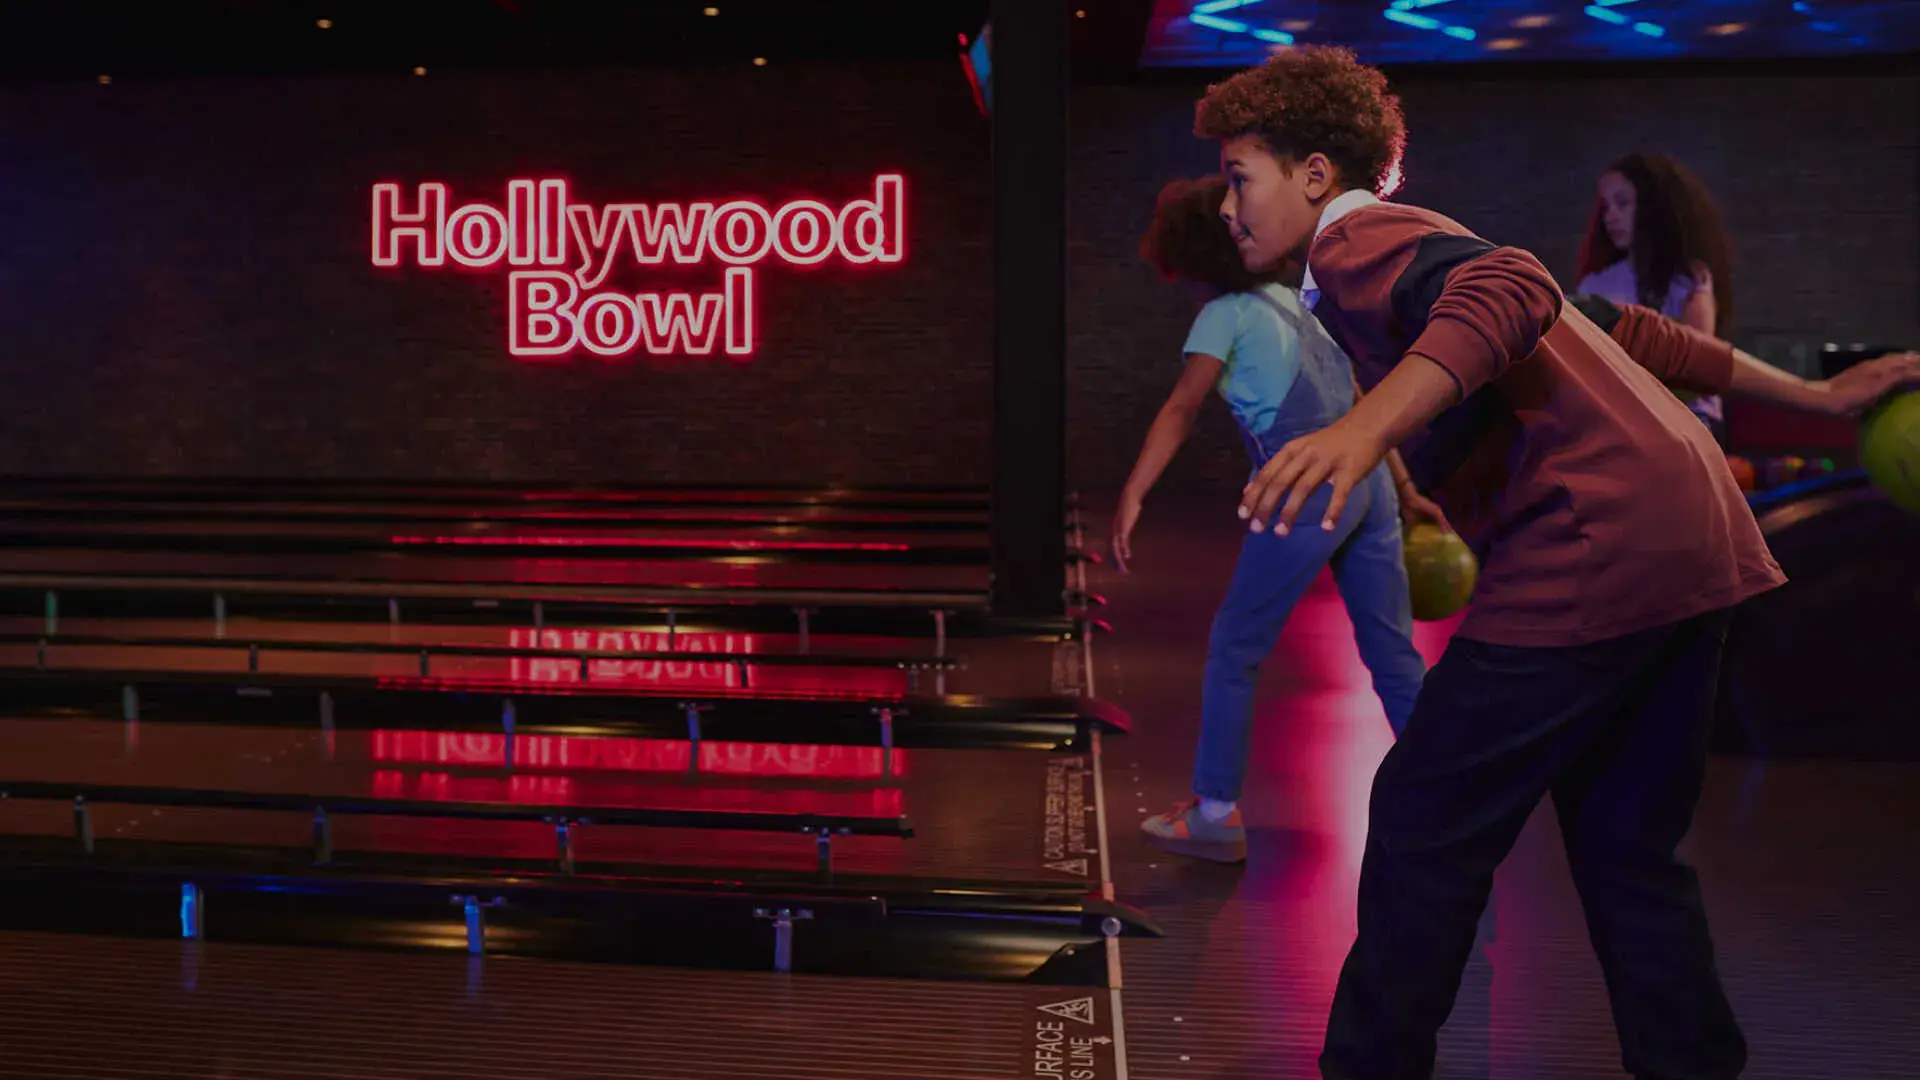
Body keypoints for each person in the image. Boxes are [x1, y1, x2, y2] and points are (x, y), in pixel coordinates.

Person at [1195, 46, 1920, 1080]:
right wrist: (1816, 400)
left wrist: (1362, 437)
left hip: (1590, 548)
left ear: (1315, 173)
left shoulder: (1356, 241)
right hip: (1692, 532)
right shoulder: (1411, 240)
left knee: (1422, 820)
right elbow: (1624, 327)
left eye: (1239, 176)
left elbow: (1514, 285)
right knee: (1630, 851)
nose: (1228, 206)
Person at [1114, 175, 1441, 865]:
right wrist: (1405, 487)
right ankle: (1443, 806)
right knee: (1391, 653)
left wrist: (1133, 493)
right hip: (1370, 480)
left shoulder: (1224, 315)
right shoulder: (1301, 304)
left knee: (1236, 647)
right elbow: (1361, 397)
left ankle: (1213, 813)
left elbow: (1180, 409)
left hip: (1305, 488)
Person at [1575, 151, 1738, 440]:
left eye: (1622, 203)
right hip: (1621, 428)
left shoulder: (1689, 279)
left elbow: (1698, 368)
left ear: (1654, 207)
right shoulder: (1594, 286)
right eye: (1606, 206)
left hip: (1688, 425)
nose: (1610, 216)